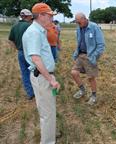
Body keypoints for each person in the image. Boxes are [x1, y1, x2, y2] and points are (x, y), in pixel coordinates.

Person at [22, 3, 60, 144]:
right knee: (47, 113)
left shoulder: (39, 31)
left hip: (44, 76)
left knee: (49, 111)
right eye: (50, 16)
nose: (51, 19)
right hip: (43, 78)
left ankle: (50, 134)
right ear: (41, 16)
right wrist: (51, 79)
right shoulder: (34, 32)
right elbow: (36, 58)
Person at [71, 12, 105, 105]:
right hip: (80, 55)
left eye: (79, 22)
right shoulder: (79, 28)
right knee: (74, 73)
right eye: (76, 22)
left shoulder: (94, 27)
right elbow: (79, 42)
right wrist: (76, 53)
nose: (78, 24)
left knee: (91, 77)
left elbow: (101, 45)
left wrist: (94, 56)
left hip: (90, 56)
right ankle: (82, 90)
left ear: (84, 19)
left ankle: (94, 96)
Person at [8, 9, 34, 100]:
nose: (32, 18)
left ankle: (30, 93)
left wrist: (17, 48)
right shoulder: (30, 26)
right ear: (27, 16)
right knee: (34, 71)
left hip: (20, 52)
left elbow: (10, 40)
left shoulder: (14, 26)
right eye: (31, 16)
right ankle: (36, 90)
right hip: (31, 53)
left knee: (24, 73)